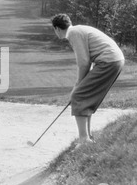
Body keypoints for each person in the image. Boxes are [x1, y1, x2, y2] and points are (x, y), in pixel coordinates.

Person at [51, 14, 125, 146]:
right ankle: (87, 136)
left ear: (57, 28)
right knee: (86, 96)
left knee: (78, 95)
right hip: (114, 60)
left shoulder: (73, 33)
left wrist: (78, 85)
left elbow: (84, 62)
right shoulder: (77, 30)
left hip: (108, 61)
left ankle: (84, 139)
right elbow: (87, 61)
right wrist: (81, 83)